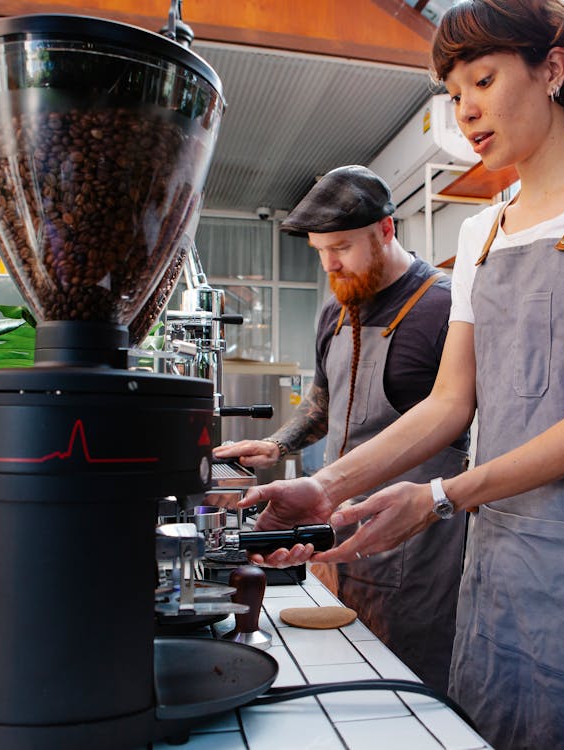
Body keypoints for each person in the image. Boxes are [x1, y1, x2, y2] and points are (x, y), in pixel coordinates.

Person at [231, 2, 564, 748]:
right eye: (453, 94)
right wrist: (322, 488)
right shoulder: (479, 230)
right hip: (496, 576)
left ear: (552, 69)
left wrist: (439, 495)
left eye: (483, 81)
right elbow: (448, 403)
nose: (466, 111)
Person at [212, 165, 469, 693]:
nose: (330, 263)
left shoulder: (446, 306)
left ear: (385, 230)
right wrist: (278, 443)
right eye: (319, 250)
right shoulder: (336, 307)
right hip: (333, 534)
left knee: (412, 689)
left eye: (342, 247)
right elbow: (325, 401)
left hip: (417, 548)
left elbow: (461, 417)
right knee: (345, 678)